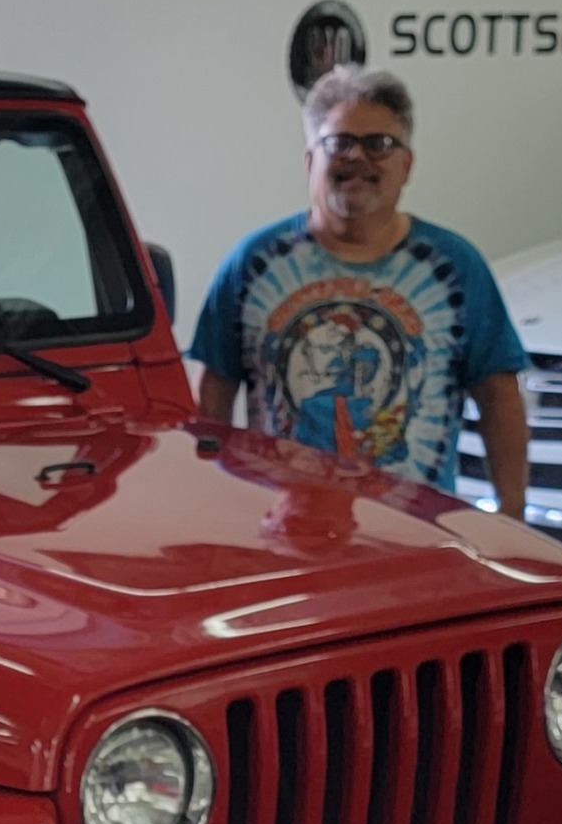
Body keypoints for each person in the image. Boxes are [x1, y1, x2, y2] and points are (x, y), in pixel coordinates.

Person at [190, 64, 530, 519]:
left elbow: (498, 396)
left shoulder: (455, 267)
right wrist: (210, 504)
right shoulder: (253, 262)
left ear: (407, 164)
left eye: (380, 145)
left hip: (418, 541)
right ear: (311, 161)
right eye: (340, 143)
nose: (359, 158)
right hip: (284, 536)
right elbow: (214, 391)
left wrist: (512, 514)